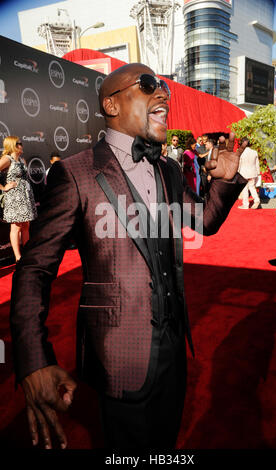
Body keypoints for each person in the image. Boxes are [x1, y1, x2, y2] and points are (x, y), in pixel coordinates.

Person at [10, 63, 248, 450]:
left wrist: (224, 181)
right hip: (119, 354)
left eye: (165, 87)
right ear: (112, 104)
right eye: (149, 85)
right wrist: (34, 358)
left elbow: (203, 220)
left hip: (173, 352)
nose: (164, 94)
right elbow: (34, 269)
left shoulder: (169, 169)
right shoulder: (77, 174)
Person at [0, 136, 37, 262]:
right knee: (16, 227)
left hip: (25, 195)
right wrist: (4, 187)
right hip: (14, 198)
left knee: (26, 225)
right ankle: (18, 257)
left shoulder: (22, 160)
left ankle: (27, 254)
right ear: (13, 145)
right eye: (19, 143)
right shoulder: (7, 159)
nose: (22, 145)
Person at [237, 138, 261, 210]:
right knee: (252, 187)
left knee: (244, 188)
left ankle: (246, 204)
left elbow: (239, 164)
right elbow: (257, 163)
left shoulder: (240, 152)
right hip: (253, 172)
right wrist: (258, 173)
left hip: (243, 172)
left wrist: (237, 172)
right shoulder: (254, 152)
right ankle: (256, 200)